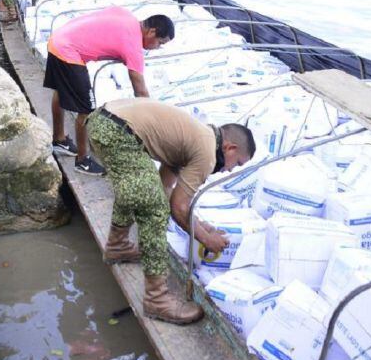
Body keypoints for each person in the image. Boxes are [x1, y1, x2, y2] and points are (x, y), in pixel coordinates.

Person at [86, 98, 256, 324]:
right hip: (117, 133)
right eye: (237, 163)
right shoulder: (206, 153)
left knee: (140, 189)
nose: (229, 170)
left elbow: (165, 187)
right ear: (230, 148)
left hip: (102, 122)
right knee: (152, 207)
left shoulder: (195, 137)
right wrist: (206, 239)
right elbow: (177, 207)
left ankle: (118, 246)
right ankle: (156, 300)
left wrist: (200, 225)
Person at [44, 8, 174, 175]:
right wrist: (156, 118)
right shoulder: (133, 46)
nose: (157, 48)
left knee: (61, 91)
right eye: (160, 43)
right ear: (152, 32)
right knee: (87, 110)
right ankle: (82, 161)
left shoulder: (127, 16)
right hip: (69, 51)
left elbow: (105, 31)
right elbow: (141, 92)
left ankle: (59, 139)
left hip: (58, 39)